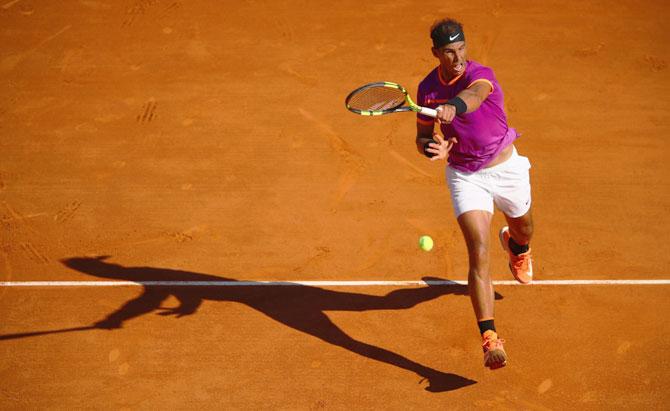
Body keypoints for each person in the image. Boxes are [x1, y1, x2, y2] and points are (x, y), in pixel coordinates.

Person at [415, 18, 534, 370]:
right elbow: (422, 136)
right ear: (436, 53)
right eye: (449, 52)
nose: (458, 58)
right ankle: (490, 338)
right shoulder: (425, 89)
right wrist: (432, 147)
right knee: (478, 249)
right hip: (466, 175)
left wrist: (454, 106)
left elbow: (475, 94)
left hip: (506, 166)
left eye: (462, 48)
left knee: (524, 227)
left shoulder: (481, 73)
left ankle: (517, 247)